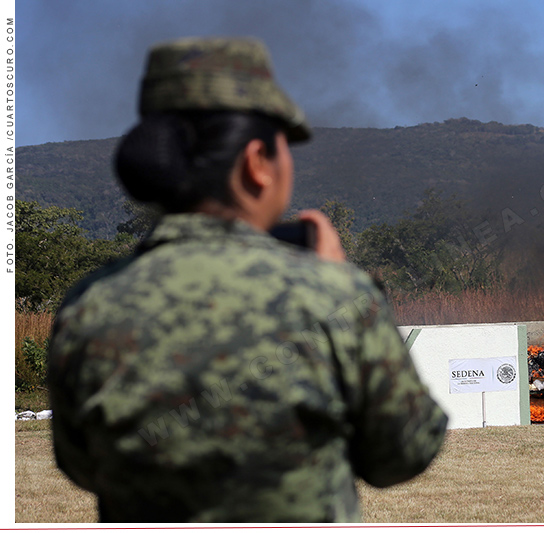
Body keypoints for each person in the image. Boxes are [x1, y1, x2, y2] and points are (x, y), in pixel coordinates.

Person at [47, 37, 448, 523]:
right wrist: (348, 290)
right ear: (257, 163)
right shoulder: (331, 297)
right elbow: (404, 451)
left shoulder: (86, 305)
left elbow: (82, 464)